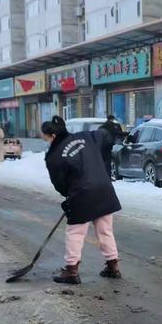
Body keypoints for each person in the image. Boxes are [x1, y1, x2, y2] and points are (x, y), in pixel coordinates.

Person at [42, 116, 122, 284]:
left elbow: (60, 185)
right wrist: (109, 126)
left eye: (45, 137)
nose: (45, 140)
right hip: (103, 188)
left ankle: (71, 270)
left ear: (52, 136)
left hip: (81, 194)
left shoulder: (54, 157)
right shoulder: (86, 136)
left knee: (75, 232)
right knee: (105, 230)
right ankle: (113, 266)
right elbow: (104, 135)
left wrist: (68, 197)